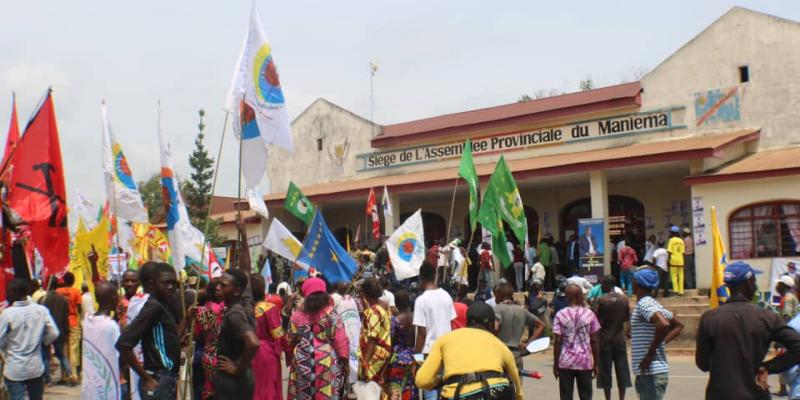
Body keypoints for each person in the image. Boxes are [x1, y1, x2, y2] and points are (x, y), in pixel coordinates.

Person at [696, 261, 800, 399]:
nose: (755, 286)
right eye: (755, 281)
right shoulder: (767, 317)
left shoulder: (709, 318)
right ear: (749, 283)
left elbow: (702, 364)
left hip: (719, 394)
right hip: (755, 394)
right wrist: (768, 367)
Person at [416, 302, 524, 400]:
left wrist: (440, 382)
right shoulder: (500, 345)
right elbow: (518, 389)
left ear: (466, 322)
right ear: (490, 325)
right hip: (496, 393)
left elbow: (422, 380)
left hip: (457, 394)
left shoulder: (444, 340)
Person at [116, 262, 180, 400]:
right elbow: (123, 344)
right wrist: (146, 378)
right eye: (165, 283)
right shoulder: (153, 307)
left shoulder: (162, 305)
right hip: (158, 379)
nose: (170, 287)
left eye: (173, 283)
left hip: (166, 379)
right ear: (152, 284)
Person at [287, 277, 349, 399]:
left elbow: (290, 340)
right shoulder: (331, 314)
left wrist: (290, 357)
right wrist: (345, 362)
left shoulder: (297, 316)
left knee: (303, 394)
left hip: (302, 362)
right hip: (327, 363)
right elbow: (341, 340)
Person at [0, 279, 59, 400]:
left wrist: (5, 350)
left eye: (9, 292)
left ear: (17, 293)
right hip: (35, 367)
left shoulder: (7, 314)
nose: (7, 295)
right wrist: (43, 342)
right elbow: (54, 332)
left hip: (14, 369)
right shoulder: (40, 310)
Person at [631, 268, 683, 400]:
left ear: (637, 283)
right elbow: (678, 325)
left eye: (634, 279)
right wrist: (661, 342)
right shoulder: (652, 303)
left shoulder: (644, 303)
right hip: (653, 372)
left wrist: (650, 353)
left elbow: (663, 324)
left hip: (650, 373)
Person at [414, 261, 456, 400]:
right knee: (445, 391)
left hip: (429, 353)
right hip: (447, 351)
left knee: (430, 390)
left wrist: (417, 358)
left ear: (421, 279)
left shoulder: (421, 300)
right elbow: (451, 323)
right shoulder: (446, 296)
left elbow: (421, 333)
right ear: (434, 276)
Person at [215, 269, 259, 400]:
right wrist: (243, 247)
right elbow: (245, 269)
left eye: (223, 285)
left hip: (233, 381)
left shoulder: (234, 314)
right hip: (243, 377)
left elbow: (253, 342)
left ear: (237, 291)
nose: (217, 287)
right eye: (218, 284)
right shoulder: (246, 302)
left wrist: (237, 368)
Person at [552, 283, 600, 400]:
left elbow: (557, 341)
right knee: (585, 396)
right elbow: (594, 340)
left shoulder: (560, 314)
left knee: (566, 396)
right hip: (584, 362)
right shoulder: (589, 314)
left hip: (565, 362)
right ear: (579, 296)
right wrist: (596, 363)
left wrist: (555, 363)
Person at [82, 281, 122, 399]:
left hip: (90, 383)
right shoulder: (111, 326)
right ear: (114, 298)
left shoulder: (87, 321)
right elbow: (120, 352)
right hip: (107, 382)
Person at [594, 276, 632, 400]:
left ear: (607, 285)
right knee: (622, 370)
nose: (601, 287)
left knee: (605, 372)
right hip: (619, 338)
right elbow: (627, 319)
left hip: (605, 339)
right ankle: (622, 398)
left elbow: (596, 319)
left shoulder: (601, 300)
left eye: (602, 284)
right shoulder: (624, 299)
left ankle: (608, 398)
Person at [251, 274, 287, 400]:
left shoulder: (247, 309)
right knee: (268, 390)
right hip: (266, 354)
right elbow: (278, 335)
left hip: (249, 353)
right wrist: (286, 351)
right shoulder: (269, 308)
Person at [495, 283, 545, 372]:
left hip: (500, 355)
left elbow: (495, 328)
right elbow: (541, 325)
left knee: (499, 385)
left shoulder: (497, 309)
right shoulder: (522, 310)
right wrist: (529, 343)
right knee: (517, 384)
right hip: (517, 355)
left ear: (499, 295)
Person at [193, 278, 226, 400]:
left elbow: (197, 334)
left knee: (208, 388)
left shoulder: (200, 311)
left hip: (207, 355)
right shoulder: (226, 309)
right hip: (224, 356)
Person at [39, 276, 73, 386]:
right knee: (61, 355)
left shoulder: (43, 300)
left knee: (46, 356)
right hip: (60, 331)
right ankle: (69, 374)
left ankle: (48, 380)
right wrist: (67, 331)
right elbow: (65, 317)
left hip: (47, 332)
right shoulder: (63, 300)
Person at [359, 278, 392, 384]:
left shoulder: (373, 311)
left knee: (370, 385)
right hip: (383, 352)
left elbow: (372, 338)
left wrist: (365, 361)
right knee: (378, 385)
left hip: (374, 354)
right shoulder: (384, 305)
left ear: (366, 295)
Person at [387, 290, 418, 399]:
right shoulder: (416, 318)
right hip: (413, 356)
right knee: (410, 386)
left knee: (397, 386)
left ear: (396, 303)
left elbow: (389, 340)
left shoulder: (394, 320)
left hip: (398, 357)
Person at [333, 281, 361, 386]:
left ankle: (351, 379)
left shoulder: (341, 300)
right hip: (350, 329)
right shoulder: (350, 300)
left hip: (350, 329)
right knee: (351, 351)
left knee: (350, 351)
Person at [56, 271, 82, 380]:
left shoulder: (58, 291)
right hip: (73, 321)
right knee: (73, 348)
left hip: (61, 322)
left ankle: (64, 376)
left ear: (63, 280)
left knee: (63, 348)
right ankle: (74, 374)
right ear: (73, 281)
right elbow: (79, 309)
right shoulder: (76, 292)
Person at [666, 226, 685, 295]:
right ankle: (681, 291)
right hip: (681, 261)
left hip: (673, 260)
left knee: (674, 276)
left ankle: (676, 291)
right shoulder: (681, 240)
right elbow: (683, 252)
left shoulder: (671, 240)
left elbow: (669, 251)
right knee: (681, 276)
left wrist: (668, 260)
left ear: (672, 232)